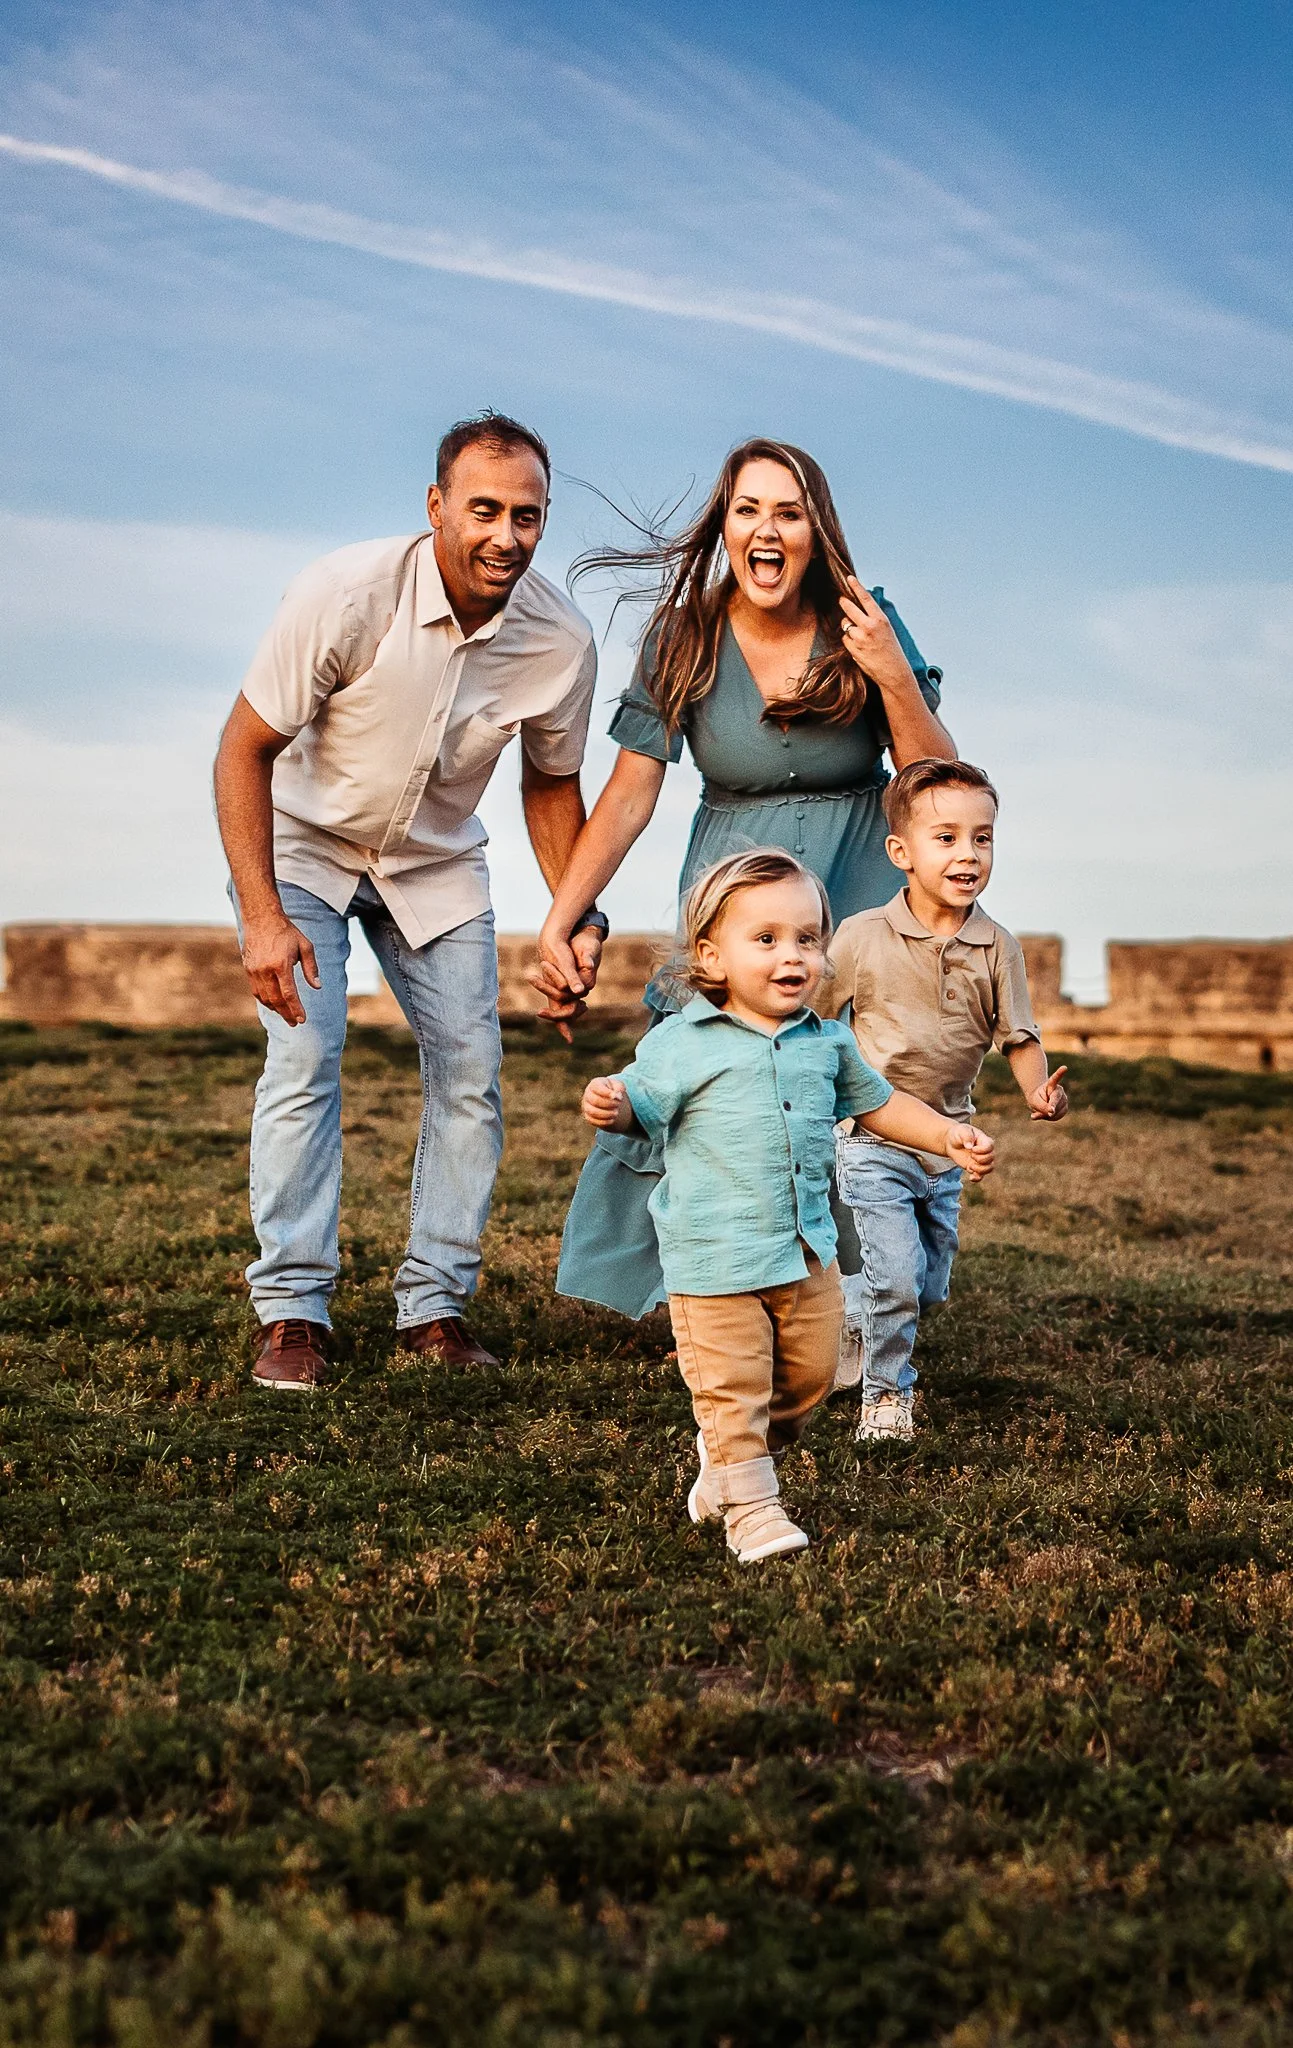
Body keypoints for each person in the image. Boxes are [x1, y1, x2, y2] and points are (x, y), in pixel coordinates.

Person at [213, 412, 602, 1392]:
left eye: (528, 515)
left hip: (433, 868)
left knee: (471, 1069)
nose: (506, 535)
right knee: (308, 1052)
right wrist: (262, 915)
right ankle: (294, 1309)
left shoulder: (560, 642)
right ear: (436, 507)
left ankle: (434, 1306)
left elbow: (551, 790)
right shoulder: (345, 593)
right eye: (484, 509)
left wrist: (573, 914)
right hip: (301, 845)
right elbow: (241, 749)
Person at [531, 436, 957, 1319]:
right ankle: (706, 1280)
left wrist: (889, 677)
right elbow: (627, 794)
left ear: (815, 529)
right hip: (734, 879)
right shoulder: (683, 635)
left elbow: (932, 787)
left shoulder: (866, 619)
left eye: (787, 511)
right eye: (747, 510)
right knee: (699, 1060)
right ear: (724, 528)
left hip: (859, 879)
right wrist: (561, 917)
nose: (767, 529)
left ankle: (853, 1301)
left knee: (849, 1083)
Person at [581, 848, 995, 1561]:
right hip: (713, 1259)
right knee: (733, 1386)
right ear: (711, 955)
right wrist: (611, 1105)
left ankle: (731, 1459)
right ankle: (752, 1509)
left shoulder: (827, 1043)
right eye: (766, 939)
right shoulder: (681, 1043)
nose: (792, 955)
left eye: (807, 938)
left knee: (807, 1379)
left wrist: (944, 1133)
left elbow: (879, 1105)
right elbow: (639, 1109)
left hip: (804, 1253)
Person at [820, 758, 1070, 1442]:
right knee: (897, 1280)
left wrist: (1036, 1093)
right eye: (946, 837)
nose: (968, 853)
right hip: (868, 1140)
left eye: (981, 838)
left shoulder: (997, 946)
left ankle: (851, 1305)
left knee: (925, 1288)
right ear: (900, 852)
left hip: (947, 1148)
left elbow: (1016, 1037)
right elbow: (810, 1023)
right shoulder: (860, 936)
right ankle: (885, 1398)